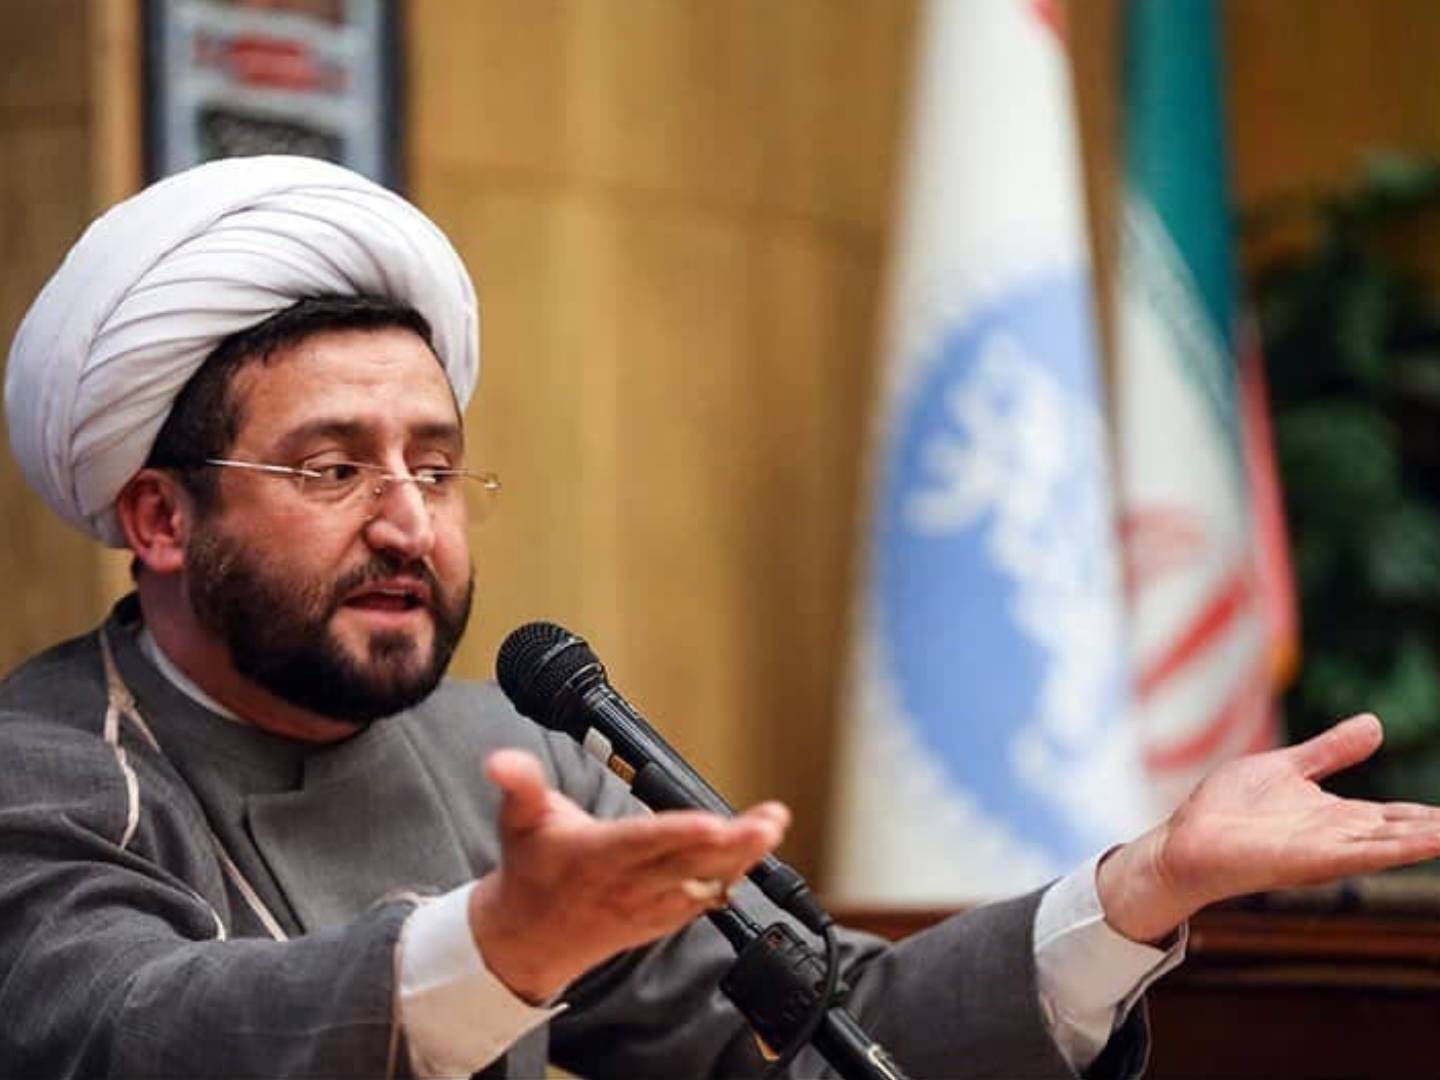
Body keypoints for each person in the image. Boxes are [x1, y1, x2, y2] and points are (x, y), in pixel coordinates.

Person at [1, 156, 1438, 1080]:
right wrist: (493, 946)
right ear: (161, 517)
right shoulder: (45, 772)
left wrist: (1144, 884)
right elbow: (135, 1032)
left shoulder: (511, 758)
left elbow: (822, 1030)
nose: (408, 523)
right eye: (332, 470)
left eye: (435, 469)